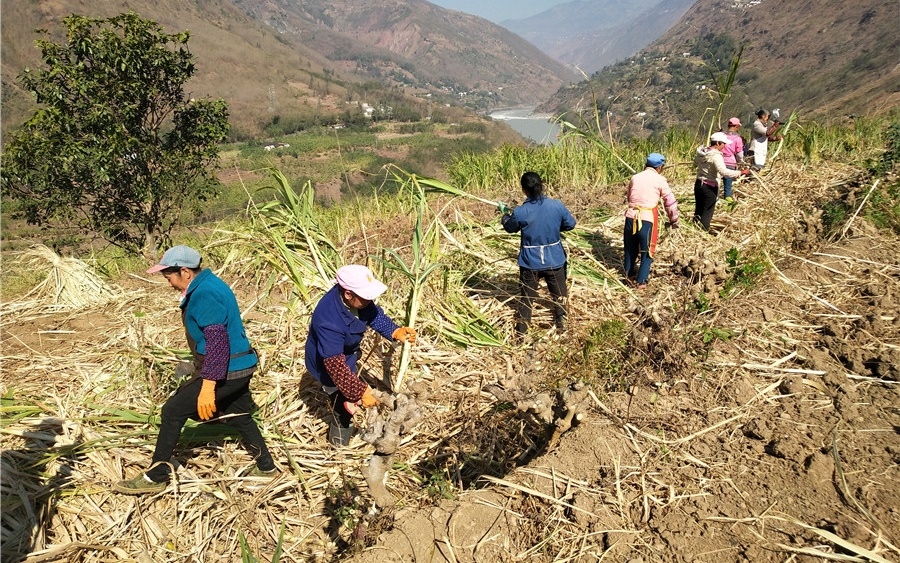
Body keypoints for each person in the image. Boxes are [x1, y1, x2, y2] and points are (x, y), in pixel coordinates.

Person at [115, 245, 276, 494]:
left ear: (185, 271)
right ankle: (266, 467)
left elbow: (218, 343)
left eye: (169, 276)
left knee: (172, 411)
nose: (168, 282)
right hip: (242, 365)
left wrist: (208, 387)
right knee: (240, 414)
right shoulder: (210, 284)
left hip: (227, 368)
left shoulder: (204, 294)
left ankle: (156, 476)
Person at [305, 264, 416, 446]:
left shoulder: (354, 299)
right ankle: (338, 444)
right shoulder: (328, 321)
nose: (371, 299)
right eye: (366, 296)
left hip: (345, 356)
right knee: (342, 404)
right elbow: (335, 367)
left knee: (348, 393)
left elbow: (372, 314)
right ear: (348, 294)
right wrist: (360, 392)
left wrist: (394, 331)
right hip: (328, 366)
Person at [500, 171, 576, 335]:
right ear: (541, 185)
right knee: (560, 296)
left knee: (526, 299)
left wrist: (504, 216)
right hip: (554, 260)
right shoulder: (556, 206)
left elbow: (510, 228)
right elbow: (570, 224)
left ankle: (521, 333)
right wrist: (556, 227)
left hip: (530, 263)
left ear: (524, 190)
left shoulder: (521, 212)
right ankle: (563, 326)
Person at [623, 153, 679, 290]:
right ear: (659, 167)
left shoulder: (635, 177)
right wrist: (674, 219)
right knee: (646, 251)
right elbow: (670, 202)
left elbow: (629, 196)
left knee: (630, 249)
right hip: (646, 218)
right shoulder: (660, 180)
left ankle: (627, 276)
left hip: (630, 217)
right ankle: (641, 282)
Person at [694, 132, 749, 232]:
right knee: (707, 212)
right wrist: (740, 172)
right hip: (709, 187)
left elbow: (696, 162)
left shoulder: (702, 152)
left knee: (699, 209)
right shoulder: (716, 156)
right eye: (723, 144)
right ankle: (703, 232)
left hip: (699, 184)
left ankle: (694, 229)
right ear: (718, 143)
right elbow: (723, 171)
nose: (724, 146)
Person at [721, 117, 745, 201]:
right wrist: (740, 162)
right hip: (730, 163)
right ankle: (728, 199)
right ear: (736, 127)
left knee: (715, 182)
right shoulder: (737, 139)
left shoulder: (721, 135)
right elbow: (739, 154)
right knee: (728, 185)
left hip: (719, 161)